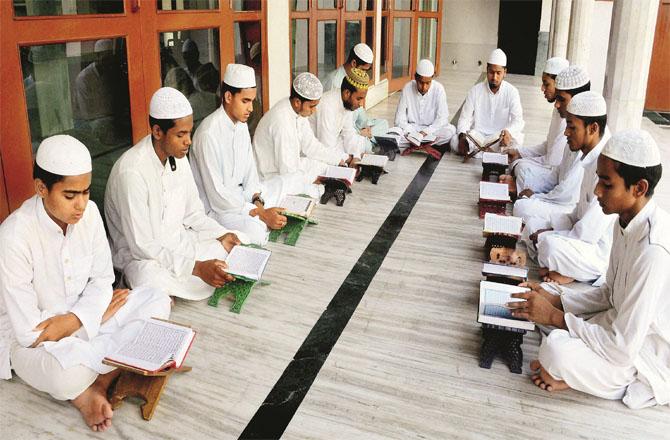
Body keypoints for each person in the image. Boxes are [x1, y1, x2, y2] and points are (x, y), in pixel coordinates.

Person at [0, 135, 171, 432]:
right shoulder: (14, 236)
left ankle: (99, 383)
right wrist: (90, 318)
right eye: (70, 196)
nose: (81, 205)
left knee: (158, 299)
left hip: (81, 320)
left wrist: (82, 318)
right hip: (37, 342)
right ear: (42, 188)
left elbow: (103, 278)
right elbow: (29, 333)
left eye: (86, 192)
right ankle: (111, 368)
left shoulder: (89, 214)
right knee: (62, 377)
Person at [507, 129, 669, 410]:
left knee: (555, 350)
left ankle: (595, 380)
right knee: (541, 316)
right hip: (614, 324)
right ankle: (573, 371)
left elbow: (621, 348)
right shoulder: (626, 221)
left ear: (639, 188)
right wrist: (553, 298)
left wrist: (557, 316)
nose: (597, 192)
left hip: (643, 354)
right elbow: (608, 295)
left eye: (606, 184)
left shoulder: (654, 249)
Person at [105, 87, 245, 301]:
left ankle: (185, 280)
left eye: (189, 132)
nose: (188, 141)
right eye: (181, 134)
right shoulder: (131, 172)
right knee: (150, 280)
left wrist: (220, 233)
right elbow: (142, 246)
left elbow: (193, 214)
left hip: (179, 244)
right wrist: (196, 268)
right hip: (141, 259)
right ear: (158, 131)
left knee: (229, 245)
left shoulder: (178, 156)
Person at [190, 64, 287, 245]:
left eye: (252, 101)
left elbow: (250, 172)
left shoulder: (241, 127)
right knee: (256, 231)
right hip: (218, 210)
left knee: (282, 185)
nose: (251, 108)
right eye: (245, 101)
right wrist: (259, 213)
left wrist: (257, 203)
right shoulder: (208, 134)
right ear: (228, 97)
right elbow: (217, 196)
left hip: (242, 199)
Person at [527, 91, 613, 285]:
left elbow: (587, 234)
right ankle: (559, 269)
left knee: (548, 244)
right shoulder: (589, 157)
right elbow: (577, 214)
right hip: (579, 240)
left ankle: (570, 271)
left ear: (592, 128)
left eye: (572, 127)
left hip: (596, 253)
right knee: (534, 227)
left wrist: (549, 234)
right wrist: (548, 228)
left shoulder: (606, 167)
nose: (566, 133)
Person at [512, 65, 592, 224]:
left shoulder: (586, 135)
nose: (556, 104)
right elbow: (559, 171)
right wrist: (520, 154)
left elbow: (566, 194)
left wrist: (535, 196)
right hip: (558, 190)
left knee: (522, 207)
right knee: (521, 169)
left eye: (561, 99)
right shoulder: (571, 125)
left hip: (568, 207)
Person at [253, 72, 348, 194]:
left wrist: (337, 160)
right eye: (312, 106)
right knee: (316, 191)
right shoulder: (281, 121)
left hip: (291, 166)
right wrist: (316, 180)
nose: (314, 111)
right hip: (271, 177)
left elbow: (311, 146)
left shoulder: (297, 111)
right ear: (298, 102)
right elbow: (287, 170)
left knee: (323, 166)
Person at [500, 57, 569, 194]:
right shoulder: (558, 108)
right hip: (549, 168)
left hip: (555, 175)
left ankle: (517, 186)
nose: (542, 88)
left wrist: (523, 158)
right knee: (518, 163)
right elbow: (547, 146)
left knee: (521, 168)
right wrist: (520, 153)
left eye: (546, 84)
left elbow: (552, 163)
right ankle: (518, 184)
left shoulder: (568, 116)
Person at [451, 48, 525, 155]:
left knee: (517, 141)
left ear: (505, 72)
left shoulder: (512, 92)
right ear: (487, 70)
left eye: (498, 73)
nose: (494, 77)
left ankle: (481, 152)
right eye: (491, 72)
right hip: (477, 136)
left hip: (499, 137)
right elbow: (464, 118)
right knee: (454, 141)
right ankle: (489, 153)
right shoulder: (475, 90)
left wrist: (508, 132)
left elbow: (518, 121)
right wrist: (462, 136)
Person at [322, 43, 388, 153]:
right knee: (364, 145)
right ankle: (369, 142)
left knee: (383, 124)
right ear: (353, 63)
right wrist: (359, 133)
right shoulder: (335, 82)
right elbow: (337, 125)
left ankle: (368, 139)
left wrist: (366, 126)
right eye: (364, 70)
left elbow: (359, 111)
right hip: (340, 132)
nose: (364, 75)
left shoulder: (356, 81)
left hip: (354, 126)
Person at [310, 67, 370, 164]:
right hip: (316, 148)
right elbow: (326, 146)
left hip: (333, 141)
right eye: (359, 99)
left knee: (359, 143)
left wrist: (356, 156)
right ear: (347, 93)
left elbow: (349, 133)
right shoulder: (327, 105)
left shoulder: (347, 104)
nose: (361, 104)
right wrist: (348, 158)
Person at [394, 59, 456, 146]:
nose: (424, 87)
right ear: (416, 78)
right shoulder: (408, 88)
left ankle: (415, 144)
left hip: (431, 130)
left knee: (450, 132)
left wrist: (425, 132)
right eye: (421, 83)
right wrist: (412, 132)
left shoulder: (439, 89)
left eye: (428, 83)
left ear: (432, 79)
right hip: (411, 129)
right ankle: (427, 144)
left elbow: (443, 118)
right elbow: (399, 119)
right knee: (394, 134)